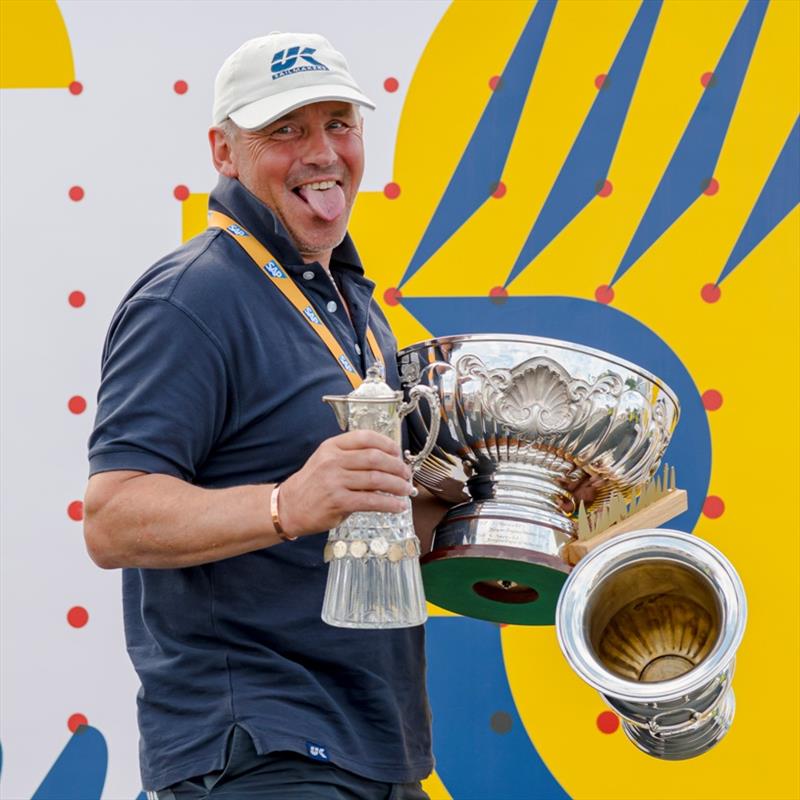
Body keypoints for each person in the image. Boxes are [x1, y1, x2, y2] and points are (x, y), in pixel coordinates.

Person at [83, 32, 447, 800]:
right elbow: (111, 519)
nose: (322, 152)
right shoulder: (190, 299)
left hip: (376, 749)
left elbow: (368, 524)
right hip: (259, 748)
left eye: (339, 123)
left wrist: (501, 508)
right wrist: (287, 505)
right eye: (285, 130)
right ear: (223, 150)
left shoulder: (358, 309)